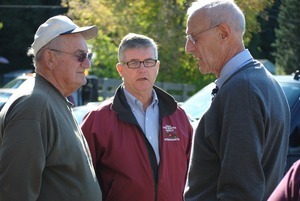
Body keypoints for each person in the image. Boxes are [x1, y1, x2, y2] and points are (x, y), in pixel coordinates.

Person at [183, 0, 290, 200]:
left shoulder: (243, 91)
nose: (188, 48)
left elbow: (240, 193)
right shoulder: (259, 82)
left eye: (193, 38)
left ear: (223, 33)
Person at [81, 33, 193, 201]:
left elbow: (193, 175)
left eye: (149, 62)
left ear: (157, 66)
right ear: (120, 69)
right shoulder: (98, 120)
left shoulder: (179, 117)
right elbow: (81, 181)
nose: (143, 69)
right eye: (134, 63)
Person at [0, 15, 102, 201]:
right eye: (80, 56)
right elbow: (14, 193)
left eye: (88, 56)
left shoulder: (50, 99)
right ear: (50, 58)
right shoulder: (33, 105)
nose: (87, 64)